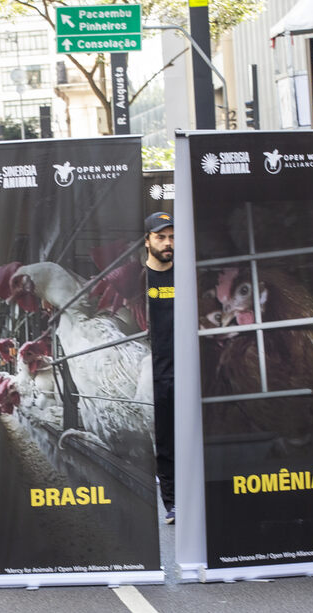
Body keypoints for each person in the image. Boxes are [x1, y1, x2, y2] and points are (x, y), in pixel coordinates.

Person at [144, 212, 176, 525]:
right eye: (161, 237)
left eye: (172, 237)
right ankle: (173, 502)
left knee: (191, 435)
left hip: (186, 369)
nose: (168, 243)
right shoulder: (139, 281)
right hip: (153, 372)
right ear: (147, 241)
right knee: (164, 441)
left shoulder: (185, 276)